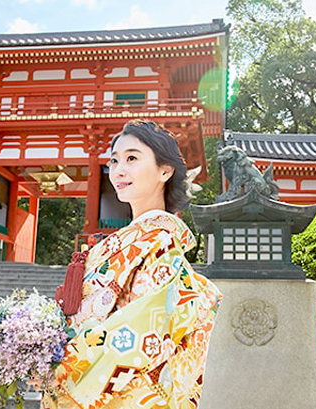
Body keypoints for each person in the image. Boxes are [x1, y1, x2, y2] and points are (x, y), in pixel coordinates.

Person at [44, 119, 222, 409]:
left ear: (164, 170)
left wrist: (61, 359)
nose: (118, 170)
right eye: (114, 161)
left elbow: (140, 333)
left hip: (118, 393)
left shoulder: (162, 244)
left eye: (131, 158)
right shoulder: (123, 242)